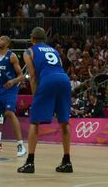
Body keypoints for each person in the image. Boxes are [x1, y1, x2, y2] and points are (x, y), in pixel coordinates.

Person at [18, 26, 72, 174]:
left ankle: (30, 162)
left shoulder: (29, 51)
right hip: (64, 80)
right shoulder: (54, 51)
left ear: (32, 39)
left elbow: (33, 75)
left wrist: (36, 95)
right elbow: (60, 66)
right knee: (64, 121)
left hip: (48, 80)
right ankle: (67, 161)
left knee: (34, 122)